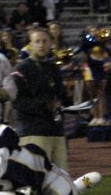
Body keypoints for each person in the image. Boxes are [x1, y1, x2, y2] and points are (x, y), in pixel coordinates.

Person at [12, 27, 69, 170]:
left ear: (51, 43)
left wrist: (70, 104)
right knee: (38, 177)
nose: (41, 45)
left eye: (45, 41)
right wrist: (45, 106)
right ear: (30, 44)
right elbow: (17, 101)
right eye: (37, 41)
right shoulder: (22, 68)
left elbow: (60, 95)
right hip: (33, 131)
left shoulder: (53, 68)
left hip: (55, 130)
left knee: (62, 176)